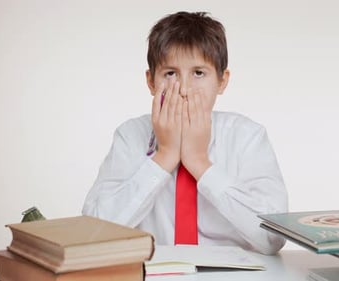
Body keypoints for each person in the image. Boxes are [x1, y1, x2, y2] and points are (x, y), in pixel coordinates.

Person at [82, 11, 288, 255]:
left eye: (199, 73)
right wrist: (165, 156)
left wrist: (199, 162)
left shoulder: (247, 137)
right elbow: (94, 235)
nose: (184, 89)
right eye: (170, 74)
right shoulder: (130, 136)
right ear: (151, 81)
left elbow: (272, 237)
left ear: (222, 81)